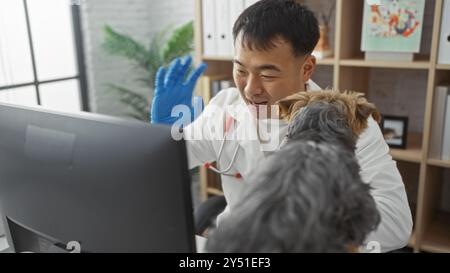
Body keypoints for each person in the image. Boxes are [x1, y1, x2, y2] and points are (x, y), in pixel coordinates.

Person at [150, 0, 412, 252]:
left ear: (307, 68)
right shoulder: (225, 108)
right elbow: (170, 164)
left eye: (268, 74)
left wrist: (290, 230)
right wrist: (162, 138)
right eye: (241, 70)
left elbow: (395, 222)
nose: (251, 89)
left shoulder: (348, 124)